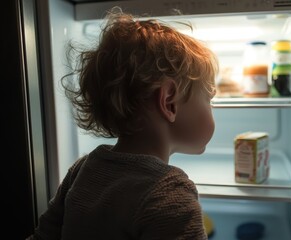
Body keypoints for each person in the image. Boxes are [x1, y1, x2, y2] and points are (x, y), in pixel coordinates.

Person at [27, 6, 218, 240]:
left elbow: (43, 236)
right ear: (169, 102)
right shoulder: (168, 194)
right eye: (209, 98)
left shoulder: (83, 169)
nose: (211, 107)